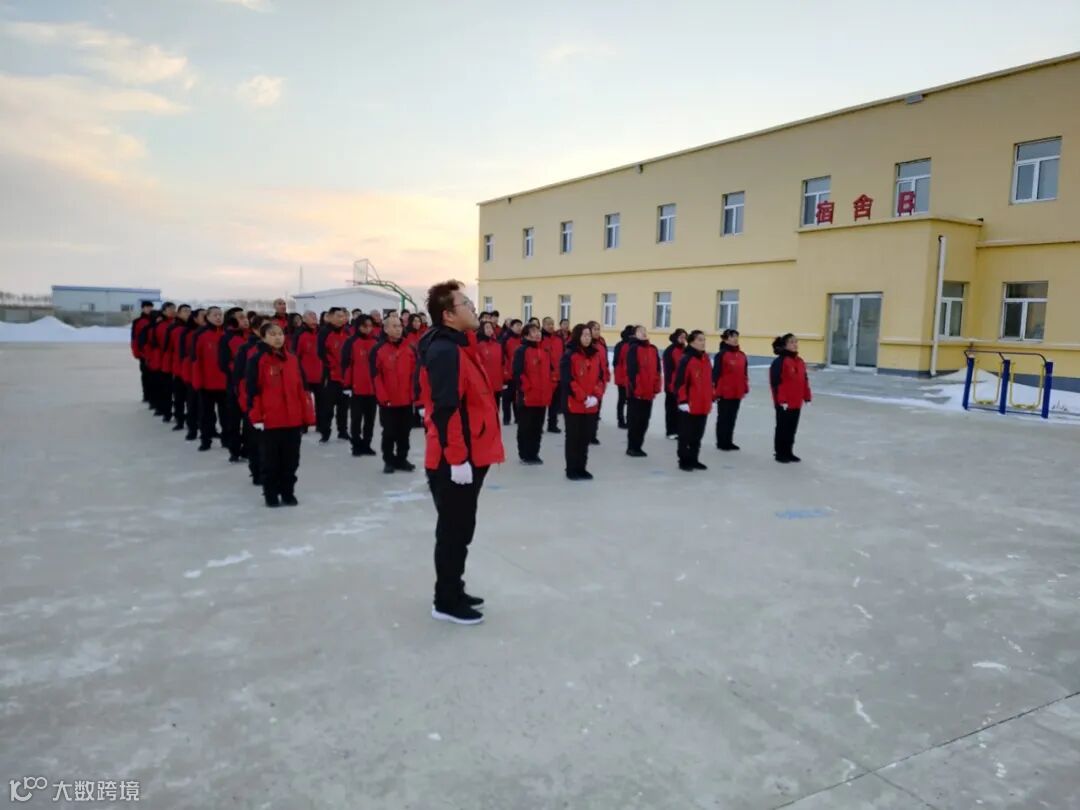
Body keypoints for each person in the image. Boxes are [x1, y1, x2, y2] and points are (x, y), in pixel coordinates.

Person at [417, 281, 505, 625]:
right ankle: (445, 601)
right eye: (465, 303)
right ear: (448, 315)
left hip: (470, 453)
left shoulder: (460, 345)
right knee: (453, 532)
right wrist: (456, 460)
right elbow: (445, 409)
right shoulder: (445, 352)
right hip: (455, 459)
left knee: (461, 528)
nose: (473, 307)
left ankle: (454, 587)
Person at [247, 322, 315, 507]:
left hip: (292, 419)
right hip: (270, 420)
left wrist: (307, 417)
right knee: (270, 462)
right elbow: (252, 391)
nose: (277, 337)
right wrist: (257, 416)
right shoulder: (257, 360)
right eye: (272, 334)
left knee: (291, 461)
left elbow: (301, 389)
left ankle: (287, 492)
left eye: (280, 334)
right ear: (263, 338)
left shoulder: (292, 359)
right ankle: (270, 494)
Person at [370, 314, 418, 473]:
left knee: (405, 432)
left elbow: (415, 374)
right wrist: (383, 398)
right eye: (394, 326)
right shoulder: (378, 349)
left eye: (399, 326)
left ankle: (402, 459)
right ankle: (389, 460)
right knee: (389, 432)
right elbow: (376, 376)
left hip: (406, 400)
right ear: (385, 329)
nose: (398, 329)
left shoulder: (410, 348)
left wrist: (414, 395)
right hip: (388, 401)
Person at [561, 324, 605, 480]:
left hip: (590, 404)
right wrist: (584, 397)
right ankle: (571, 469)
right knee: (573, 437)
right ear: (577, 336)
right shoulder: (570, 355)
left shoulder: (595, 354)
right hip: (574, 403)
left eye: (589, 335)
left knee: (585, 438)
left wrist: (595, 396)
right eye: (584, 335)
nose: (587, 338)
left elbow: (600, 377)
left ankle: (581, 467)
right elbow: (568, 380)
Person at [511, 322, 553, 465]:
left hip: (542, 397)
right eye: (534, 331)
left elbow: (550, 373)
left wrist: (549, 388)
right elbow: (518, 373)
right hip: (528, 396)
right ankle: (524, 454)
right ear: (526, 335)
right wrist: (527, 388)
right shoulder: (521, 351)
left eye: (538, 331)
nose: (537, 334)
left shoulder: (544, 352)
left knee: (537, 427)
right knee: (526, 426)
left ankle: (534, 453)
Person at [233, 315, 266, 485]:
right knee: (254, 440)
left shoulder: (282, 351)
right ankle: (257, 472)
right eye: (265, 328)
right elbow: (239, 379)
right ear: (255, 330)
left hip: (275, 405)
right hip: (253, 403)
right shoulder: (246, 350)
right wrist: (246, 402)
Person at [770, 333, 812, 463]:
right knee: (782, 427)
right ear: (785, 345)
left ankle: (789, 451)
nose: (795, 344)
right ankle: (780, 453)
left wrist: (807, 396)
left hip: (796, 401)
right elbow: (776, 383)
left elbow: (804, 380)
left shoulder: (799, 361)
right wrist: (781, 400)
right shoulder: (780, 362)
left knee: (792, 428)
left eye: (796, 342)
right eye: (791, 342)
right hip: (784, 403)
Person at [674, 330, 712, 471]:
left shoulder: (706, 359)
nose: (703, 342)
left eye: (704, 339)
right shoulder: (687, 359)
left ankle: (694, 459)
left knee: (697, 434)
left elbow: (709, 381)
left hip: (703, 403)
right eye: (700, 340)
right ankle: (684, 460)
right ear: (691, 342)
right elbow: (680, 382)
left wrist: (711, 396)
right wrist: (683, 401)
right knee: (686, 434)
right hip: (690, 404)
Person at [341, 315, 379, 457]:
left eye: (370, 326)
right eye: (364, 326)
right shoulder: (351, 342)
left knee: (370, 420)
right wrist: (347, 385)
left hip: (373, 389)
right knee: (356, 419)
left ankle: (367, 444)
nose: (368, 329)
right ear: (358, 327)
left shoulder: (376, 341)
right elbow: (346, 365)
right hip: (357, 388)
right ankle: (356, 445)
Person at [192, 306, 227, 451]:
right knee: (206, 415)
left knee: (226, 415)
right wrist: (197, 381)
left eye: (220, 315)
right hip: (207, 384)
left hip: (225, 383)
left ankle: (227, 439)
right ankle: (205, 440)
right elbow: (196, 361)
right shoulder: (201, 335)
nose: (218, 317)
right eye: (215, 315)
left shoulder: (227, 334)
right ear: (208, 317)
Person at [219, 308, 251, 463]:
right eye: (241, 317)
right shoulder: (227, 338)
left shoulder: (252, 337)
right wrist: (241, 373)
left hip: (251, 385)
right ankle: (234, 450)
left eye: (245, 317)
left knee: (249, 420)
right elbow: (224, 364)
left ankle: (247, 450)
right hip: (235, 385)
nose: (245, 320)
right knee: (234, 419)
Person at [625, 326, 661, 457]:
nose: (644, 333)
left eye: (645, 331)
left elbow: (658, 370)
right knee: (635, 420)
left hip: (648, 392)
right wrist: (636, 388)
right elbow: (632, 371)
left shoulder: (653, 349)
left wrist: (656, 387)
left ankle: (638, 446)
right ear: (635, 335)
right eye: (640, 331)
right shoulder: (633, 348)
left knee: (644, 421)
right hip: (636, 392)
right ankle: (632, 447)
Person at [316, 307, 350, 442]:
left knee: (343, 406)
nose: (342, 319)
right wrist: (332, 366)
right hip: (330, 375)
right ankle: (325, 432)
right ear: (330, 317)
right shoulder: (325, 332)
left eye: (343, 316)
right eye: (338, 316)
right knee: (327, 406)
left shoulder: (347, 332)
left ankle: (343, 431)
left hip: (344, 376)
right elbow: (321, 353)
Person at [713, 329, 749, 451]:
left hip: (737, 391)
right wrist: (715, 390)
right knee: (724, 417)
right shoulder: (721, 355)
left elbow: (744, 373)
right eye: (732, 337)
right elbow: (716, 374)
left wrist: (745, 387)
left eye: (736, 336)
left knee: (732, 417)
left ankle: (729, 441)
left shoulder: (742, 355)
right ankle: (721, 442)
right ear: (725, 339)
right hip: (724, 391)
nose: (735, 339)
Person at [165, 305, 193, 432]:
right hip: (178, 367)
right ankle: (179, 419)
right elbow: (169, 349)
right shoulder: (173, 329)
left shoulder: (194, 329)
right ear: (179, 313)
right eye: (185, 311)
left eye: (189, 311)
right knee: (179, 397)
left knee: (191, 398)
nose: (188, 313)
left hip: (191, 369)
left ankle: (192, 421)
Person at [180, 309, 206, 441]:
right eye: (203, 316)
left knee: (205, 406)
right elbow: (185, 355)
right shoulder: (190, 334)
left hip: (208, 375)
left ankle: (207, 430)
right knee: (192, 403)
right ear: (195, 319)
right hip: (193, 372)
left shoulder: (215, 333)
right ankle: (192, 429)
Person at [150, 302, 178, 420]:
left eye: (174, 308)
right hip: (164, 361)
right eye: (170, 308)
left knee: (174, 389)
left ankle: (172, 411)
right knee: (165, 388)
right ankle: (165, 410)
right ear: (164, 311)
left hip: (174, 361)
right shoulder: (161, 325)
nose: (172, 310)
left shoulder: (176, 324)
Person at [662, 329, 688, 439]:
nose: (683, 339)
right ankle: (671, 431)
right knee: (671, 409)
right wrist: (670, 385)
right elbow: (668, 370)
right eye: (681, 337)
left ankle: (680, 430)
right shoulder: (670, 350)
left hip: (684, 385)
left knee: (682, 409)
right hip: (672, 385)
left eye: (685, 337)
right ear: (676, 337)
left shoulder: (686, 350)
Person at [540, 317, 563, 433]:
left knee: (555, 403)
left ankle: (552, 425)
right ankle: (539, 425)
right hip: (545, 376)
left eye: (552, 324)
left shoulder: (558, 339)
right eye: (548, 324)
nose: (551, 326)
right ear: (543, 325)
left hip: (557, 375)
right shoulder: (540, 339)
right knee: (542, 403)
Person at [475, 321, 504, 412]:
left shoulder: (498, 346)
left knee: (496, 409)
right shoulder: (478, 345)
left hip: (497, 382)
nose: (489, 330)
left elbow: (502, 363)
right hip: (484, 383)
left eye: (491, 327)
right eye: (487, 327)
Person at [499, 319, 523, 426]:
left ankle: (518, 417)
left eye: (520, 325)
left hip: (519, 373)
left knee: (516, 397)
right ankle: (506, 418)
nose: (519, 328)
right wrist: (505, 371)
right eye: (517, 325)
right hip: (507, 373)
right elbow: (502, 357)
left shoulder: (522, 339)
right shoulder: (506, 339)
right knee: (506, 398)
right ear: (511, 327)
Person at [130, 300, 155, 404]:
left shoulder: (155, 319)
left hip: (155, 353)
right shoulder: (138, 321)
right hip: (143, 353)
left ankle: (154, 395)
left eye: (150, 307)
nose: (149, 309)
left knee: (155, 376)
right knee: (146, 374)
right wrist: (136, 352)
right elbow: (134, 338)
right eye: (147, 307)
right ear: (143, 308)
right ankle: (146, 395)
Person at [612, 325, 635, 429]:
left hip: (623, 377)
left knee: (623, 400)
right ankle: (623, 420)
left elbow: (615, 362)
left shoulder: (621, 345)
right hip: (624, 377)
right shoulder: (626, 346)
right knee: (626, 400)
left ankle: (622, 420)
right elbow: (617, 362)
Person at [293, 311, 323, 392]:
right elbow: (295, 355)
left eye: (315, 316)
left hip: (321, 376)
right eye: (311, 316)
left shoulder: (322, 332)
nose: (314, 318)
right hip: (306, 376)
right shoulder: (300, 334)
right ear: (304, 319)